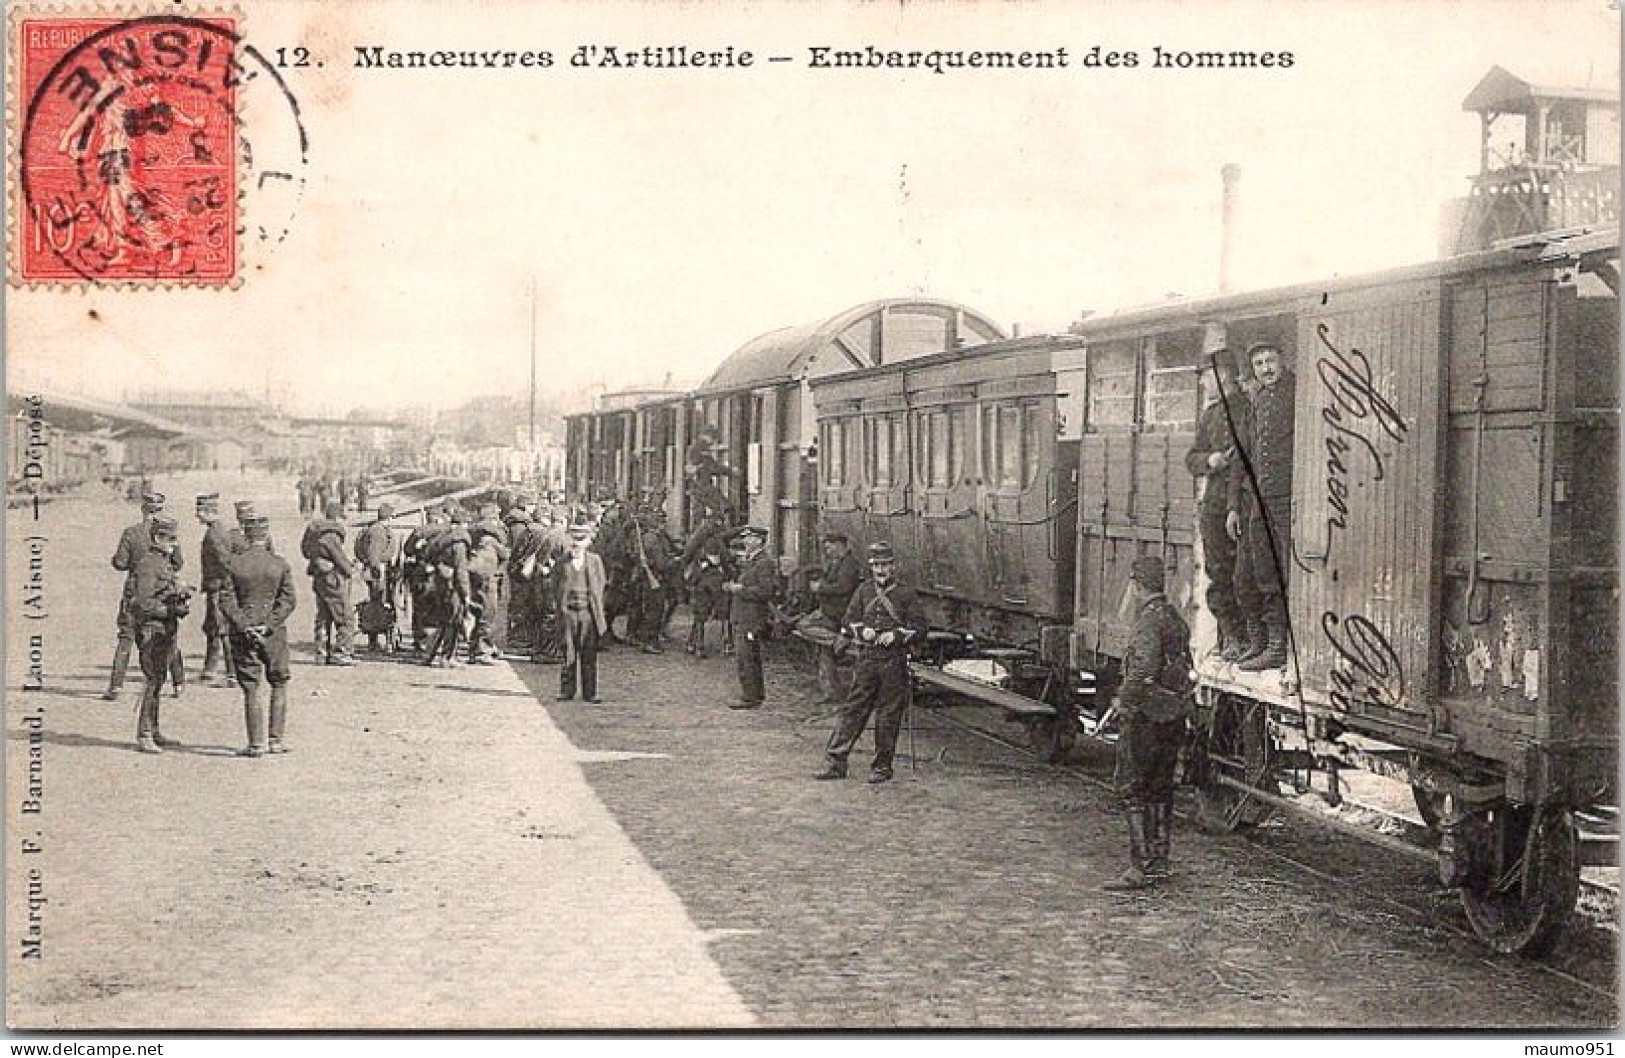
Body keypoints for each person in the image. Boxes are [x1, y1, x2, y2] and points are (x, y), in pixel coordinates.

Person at [1104, 555, 1194, 890]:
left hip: (1146, 715)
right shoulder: (1174, 618)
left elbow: (1142, 669)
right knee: (1161, 787)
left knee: (1132, 788)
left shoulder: (1146, 622)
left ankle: (1138, 867)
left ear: (1138, 587)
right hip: (1173, 713)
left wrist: (1122, 700)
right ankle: (1161, 861)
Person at [814, 541, 923, 784]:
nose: (881, 570)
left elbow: (920, 628)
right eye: (877, 566)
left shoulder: (906, 594)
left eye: (885, 565)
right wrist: (862, 631)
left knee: (888, 715)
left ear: (893, 566)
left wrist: (895, 635)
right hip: (867, 659)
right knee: (853, 710)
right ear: (871, 568)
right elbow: (848, 620)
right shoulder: (863, 591)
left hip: (894, 662)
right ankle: (835, 762)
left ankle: (882, 767)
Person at [1226, 343, 1295, 671]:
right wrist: (1232, 507)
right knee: (1253, 571)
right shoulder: (1254, 402)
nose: (1266, 368)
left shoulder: (1297, 395)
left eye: (1271, 360)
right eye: (1259, 364)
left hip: (1285, 498)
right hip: (1256, 499)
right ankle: (1259, 642)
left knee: (1278, 571)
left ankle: (1278, 645)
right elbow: (1241, 455)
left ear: (1282, 361)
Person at [1185, 347, 1257, 662]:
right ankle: (1232, 638)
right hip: (1214, 503)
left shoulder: (1248, 410)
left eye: (1205, 376)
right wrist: (1210, 460)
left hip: (1243, 501)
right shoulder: (1211, 414)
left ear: (1221, 374)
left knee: (1246, 573)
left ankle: (1252, 638)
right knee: (1218, 571)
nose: (1204, 384)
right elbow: (1191, 458)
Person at [219, 513, 297, 757]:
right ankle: (275, 740)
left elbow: (226, 600)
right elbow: (289, 600)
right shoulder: (279, 564)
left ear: (245, 535)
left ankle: (256, 744)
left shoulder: (233, 564)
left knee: (251, 687)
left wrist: (244, 625)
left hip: (244, 633)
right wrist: (269, 624)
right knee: (279, 683)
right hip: (273, 634)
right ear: (267, 535)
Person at [105, 491, 185, 701]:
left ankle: (116, 686)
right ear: (161, 509)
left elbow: (120, 563)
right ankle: (178, 683)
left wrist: (119, 560)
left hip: (134, 592)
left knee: (126, 637)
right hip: (161, 593)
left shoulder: (131, 533)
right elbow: (178, 563)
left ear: (143, 509)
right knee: (168, 636)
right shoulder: (167, 532)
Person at [128, 516, 192, 753]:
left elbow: (163, 591)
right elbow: (143, 603)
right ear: (157, 539)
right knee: (152, 679)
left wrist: (180, 596)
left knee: (159, 679)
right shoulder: (148, 565)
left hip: (164, 628)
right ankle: (144, 734)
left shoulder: (163, 562)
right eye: (171, 540)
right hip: (151, 629)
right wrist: (171, 609)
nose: (175, 545)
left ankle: (154, 730)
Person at [723, 525, 778, 709]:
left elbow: (765, 591)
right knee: (745, 656)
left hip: (752, 617)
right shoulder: (750, 560)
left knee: (747, 656)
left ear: (759, 541)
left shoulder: (764, 563)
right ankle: (753, 694)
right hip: (743, 614)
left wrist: (740, 589)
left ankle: (751, 697)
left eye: (749, 538)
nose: (746, 542)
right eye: (745, 538)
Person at [553, 521, 608, 702]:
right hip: (568, 612)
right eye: (574, 539)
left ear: (588, 541)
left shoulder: (595, 561)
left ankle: (590, 693)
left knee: (588, 653)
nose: (577, 544)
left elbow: (601, 586)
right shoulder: (562, 562)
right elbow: (555, 587)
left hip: (587, 613)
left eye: (581, 539)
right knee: (568, 652)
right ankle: (567, 691)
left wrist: (597, 613)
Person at [808, 532, 862, 703]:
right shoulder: (837, 562)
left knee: (805, 626)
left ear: (840, 545)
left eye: (830, 546)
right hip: (831, 611)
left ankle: (837, 640)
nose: (828, 550)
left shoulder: (849, 564)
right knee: (824, 652)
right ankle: (831, 692)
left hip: (839, 613)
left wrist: (821, 587)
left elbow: (843, 588)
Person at [303, 501, 355, 665]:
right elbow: (338, 557)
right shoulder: (331, 535)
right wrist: (349, 570)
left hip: (319, 577)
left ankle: (321, 652)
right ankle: (341, 653)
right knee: (345, 616)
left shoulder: (314, 531)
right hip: (333, 578)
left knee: (324, 616)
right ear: (338, 517)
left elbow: (304, 550)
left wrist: (317, 559)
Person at [195, 493, 236, 687]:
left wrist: (226, 586)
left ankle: (232, 673)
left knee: (221, 630)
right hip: (216, 587)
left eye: (200, 511)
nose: (197, 515)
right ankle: (209, 670)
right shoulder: (215, 530)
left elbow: (226, 562)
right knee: (213, 628)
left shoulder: (215, 534)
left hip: (219, 588)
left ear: (211, 512)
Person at [425, 507, 473, 667]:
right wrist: (466, 593)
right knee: (454, 620)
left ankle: (432, 654)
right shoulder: (459, 543)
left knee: (444, 620)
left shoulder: (442, 538)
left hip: (440, 583)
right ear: (463, 524)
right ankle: (447, 657)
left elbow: (428, 555)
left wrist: (440, 566)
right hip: (453, 586)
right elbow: (461, 571)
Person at [402, 504, 449, 654]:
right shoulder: (447, 531)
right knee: (440, 607)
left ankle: (420, 640)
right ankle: (437, 641)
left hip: (421, 573)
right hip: (441, 574)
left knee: (420, 608)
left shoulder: (420, 531)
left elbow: (407, 550)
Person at [355, 502, 400, 653]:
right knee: (378, 605)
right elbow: (374, 554)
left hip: (380, 570)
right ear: (388, 517)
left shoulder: (378, 529)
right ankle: (374, 641)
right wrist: (377, 570)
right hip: (378, 572)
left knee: (379, 604)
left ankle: (378, 639)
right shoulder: (378, 532)